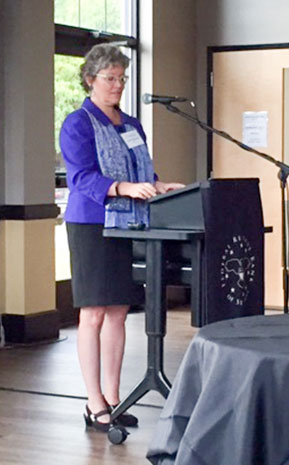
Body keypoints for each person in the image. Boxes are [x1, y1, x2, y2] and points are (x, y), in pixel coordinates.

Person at [59, 43, 184, 432]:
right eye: (110, 78)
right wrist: (124, 187)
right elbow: (80, 178)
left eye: (122, 78)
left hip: (128, 224)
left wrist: (157, 186)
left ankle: (114, 398)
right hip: (92, 224)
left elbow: (141, 171)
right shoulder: (77, 123)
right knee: (93, 313)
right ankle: (93, 401)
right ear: (89, 79)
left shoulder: (131, 124)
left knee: (118, 312)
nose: (117, 85)